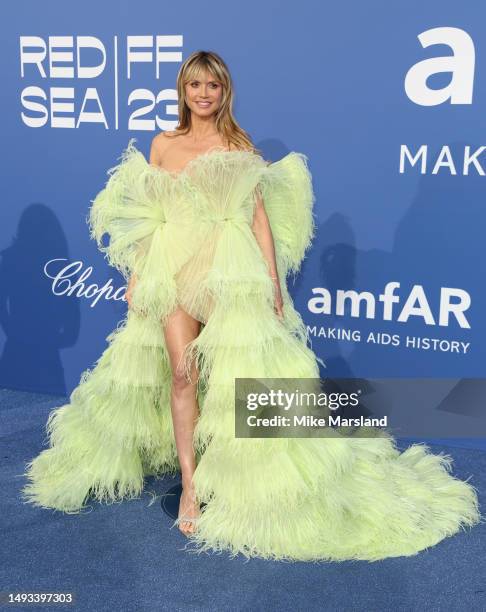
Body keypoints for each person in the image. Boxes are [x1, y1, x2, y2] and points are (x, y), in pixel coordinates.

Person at [21, 50, 482, 562]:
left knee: (233, 380)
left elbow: (258, 215)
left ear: (224, 92)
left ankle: (236, 479)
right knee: (181, 374)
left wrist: (272, 282)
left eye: (212, 86)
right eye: (195, 84)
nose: (203, 93)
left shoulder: (239, 145)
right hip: (171, 271)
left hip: (225, 269)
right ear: (184, 90)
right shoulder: (162, 143)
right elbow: (144, 212)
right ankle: (191, 486)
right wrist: (135, 274)